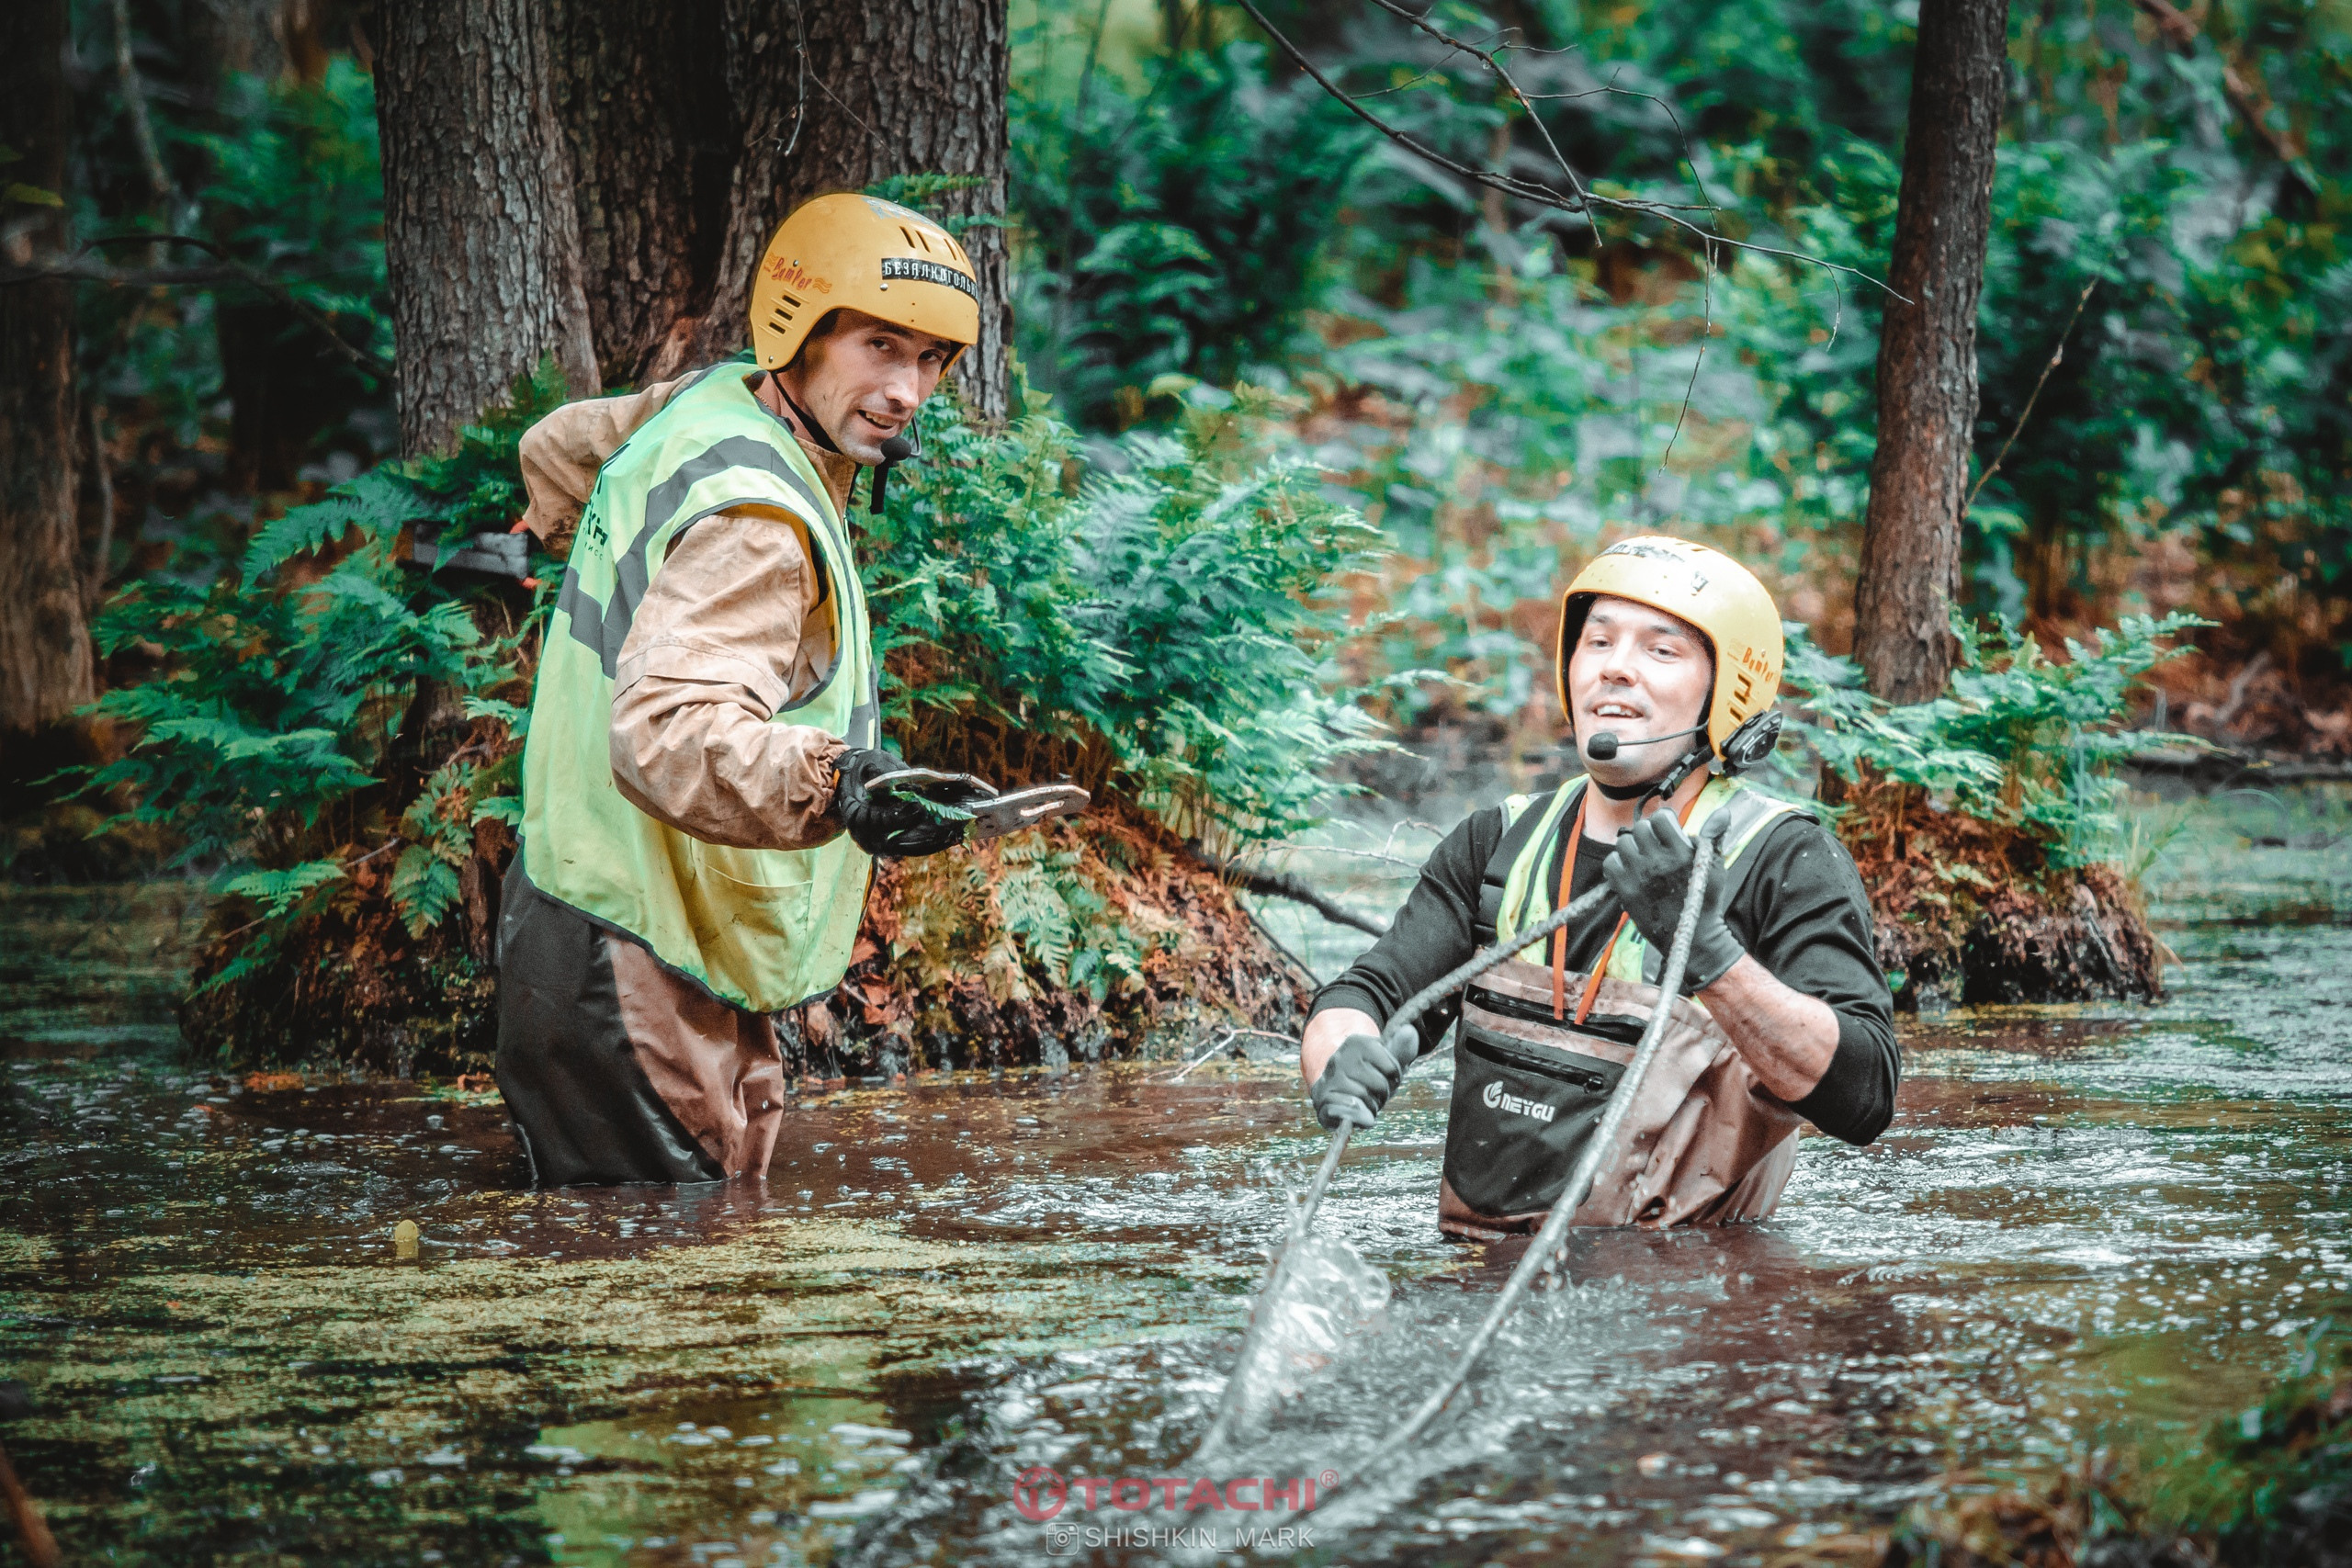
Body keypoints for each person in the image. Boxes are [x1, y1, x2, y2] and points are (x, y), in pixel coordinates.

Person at [494, 193, 983, 1188]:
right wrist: (840, 782)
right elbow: (668, 732)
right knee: (692, 1303)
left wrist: (522, 536)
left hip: (571, 900)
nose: (907, 392)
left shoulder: (708, 405)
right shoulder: (756, 520)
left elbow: (562, 443)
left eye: (930, 360)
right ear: (795, 332)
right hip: (640, 965)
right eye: (879, 347)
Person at [1300, 536, 1897, 1236]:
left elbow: (1865, 1095)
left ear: (1727, 691)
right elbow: (1365, 995)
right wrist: (1336, 1058)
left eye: (1660, 651)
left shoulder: (1785, 859)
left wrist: (1706, 952)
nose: (1616, 668)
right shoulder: (1497, 842)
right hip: (1480, 1272)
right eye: (1598, 642)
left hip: (1689, 1301)